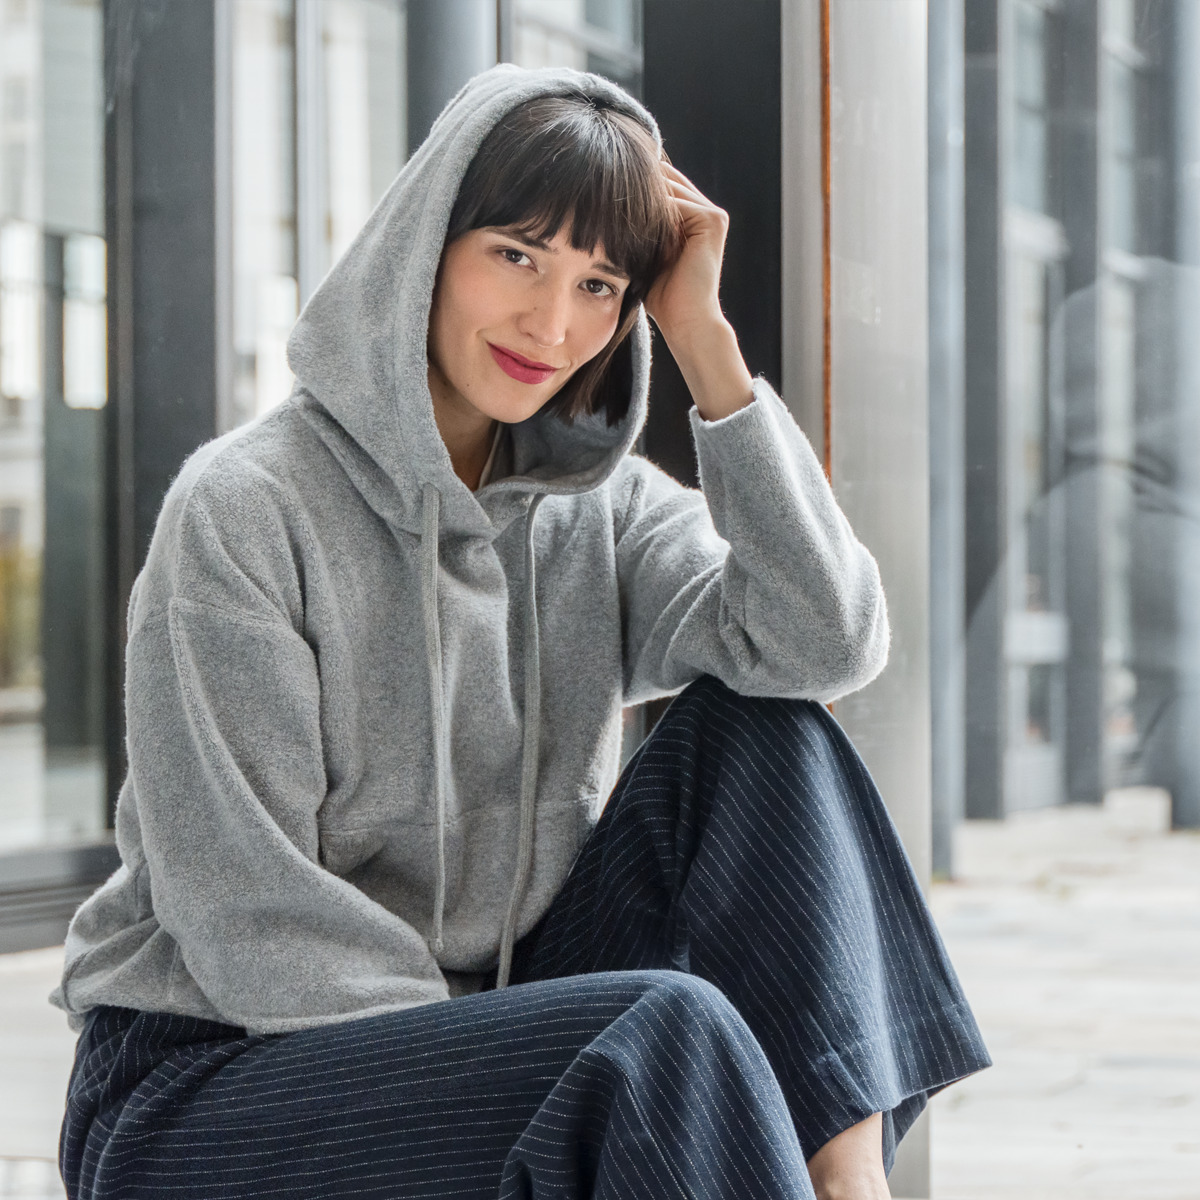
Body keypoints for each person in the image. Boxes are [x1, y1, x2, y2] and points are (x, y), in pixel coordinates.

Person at [52, 64, 989, 1200]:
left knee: (767, 731)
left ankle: (848, 1184)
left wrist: (705, 342)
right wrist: (495, 1056)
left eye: (601, 285)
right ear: (428, 244)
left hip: (490, 1037)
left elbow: (825, 640)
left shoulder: (602, 512)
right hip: (210, 1085)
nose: (554, 324)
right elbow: (250, 917)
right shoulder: (243, 512)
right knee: (658, 1032)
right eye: (517, 256)